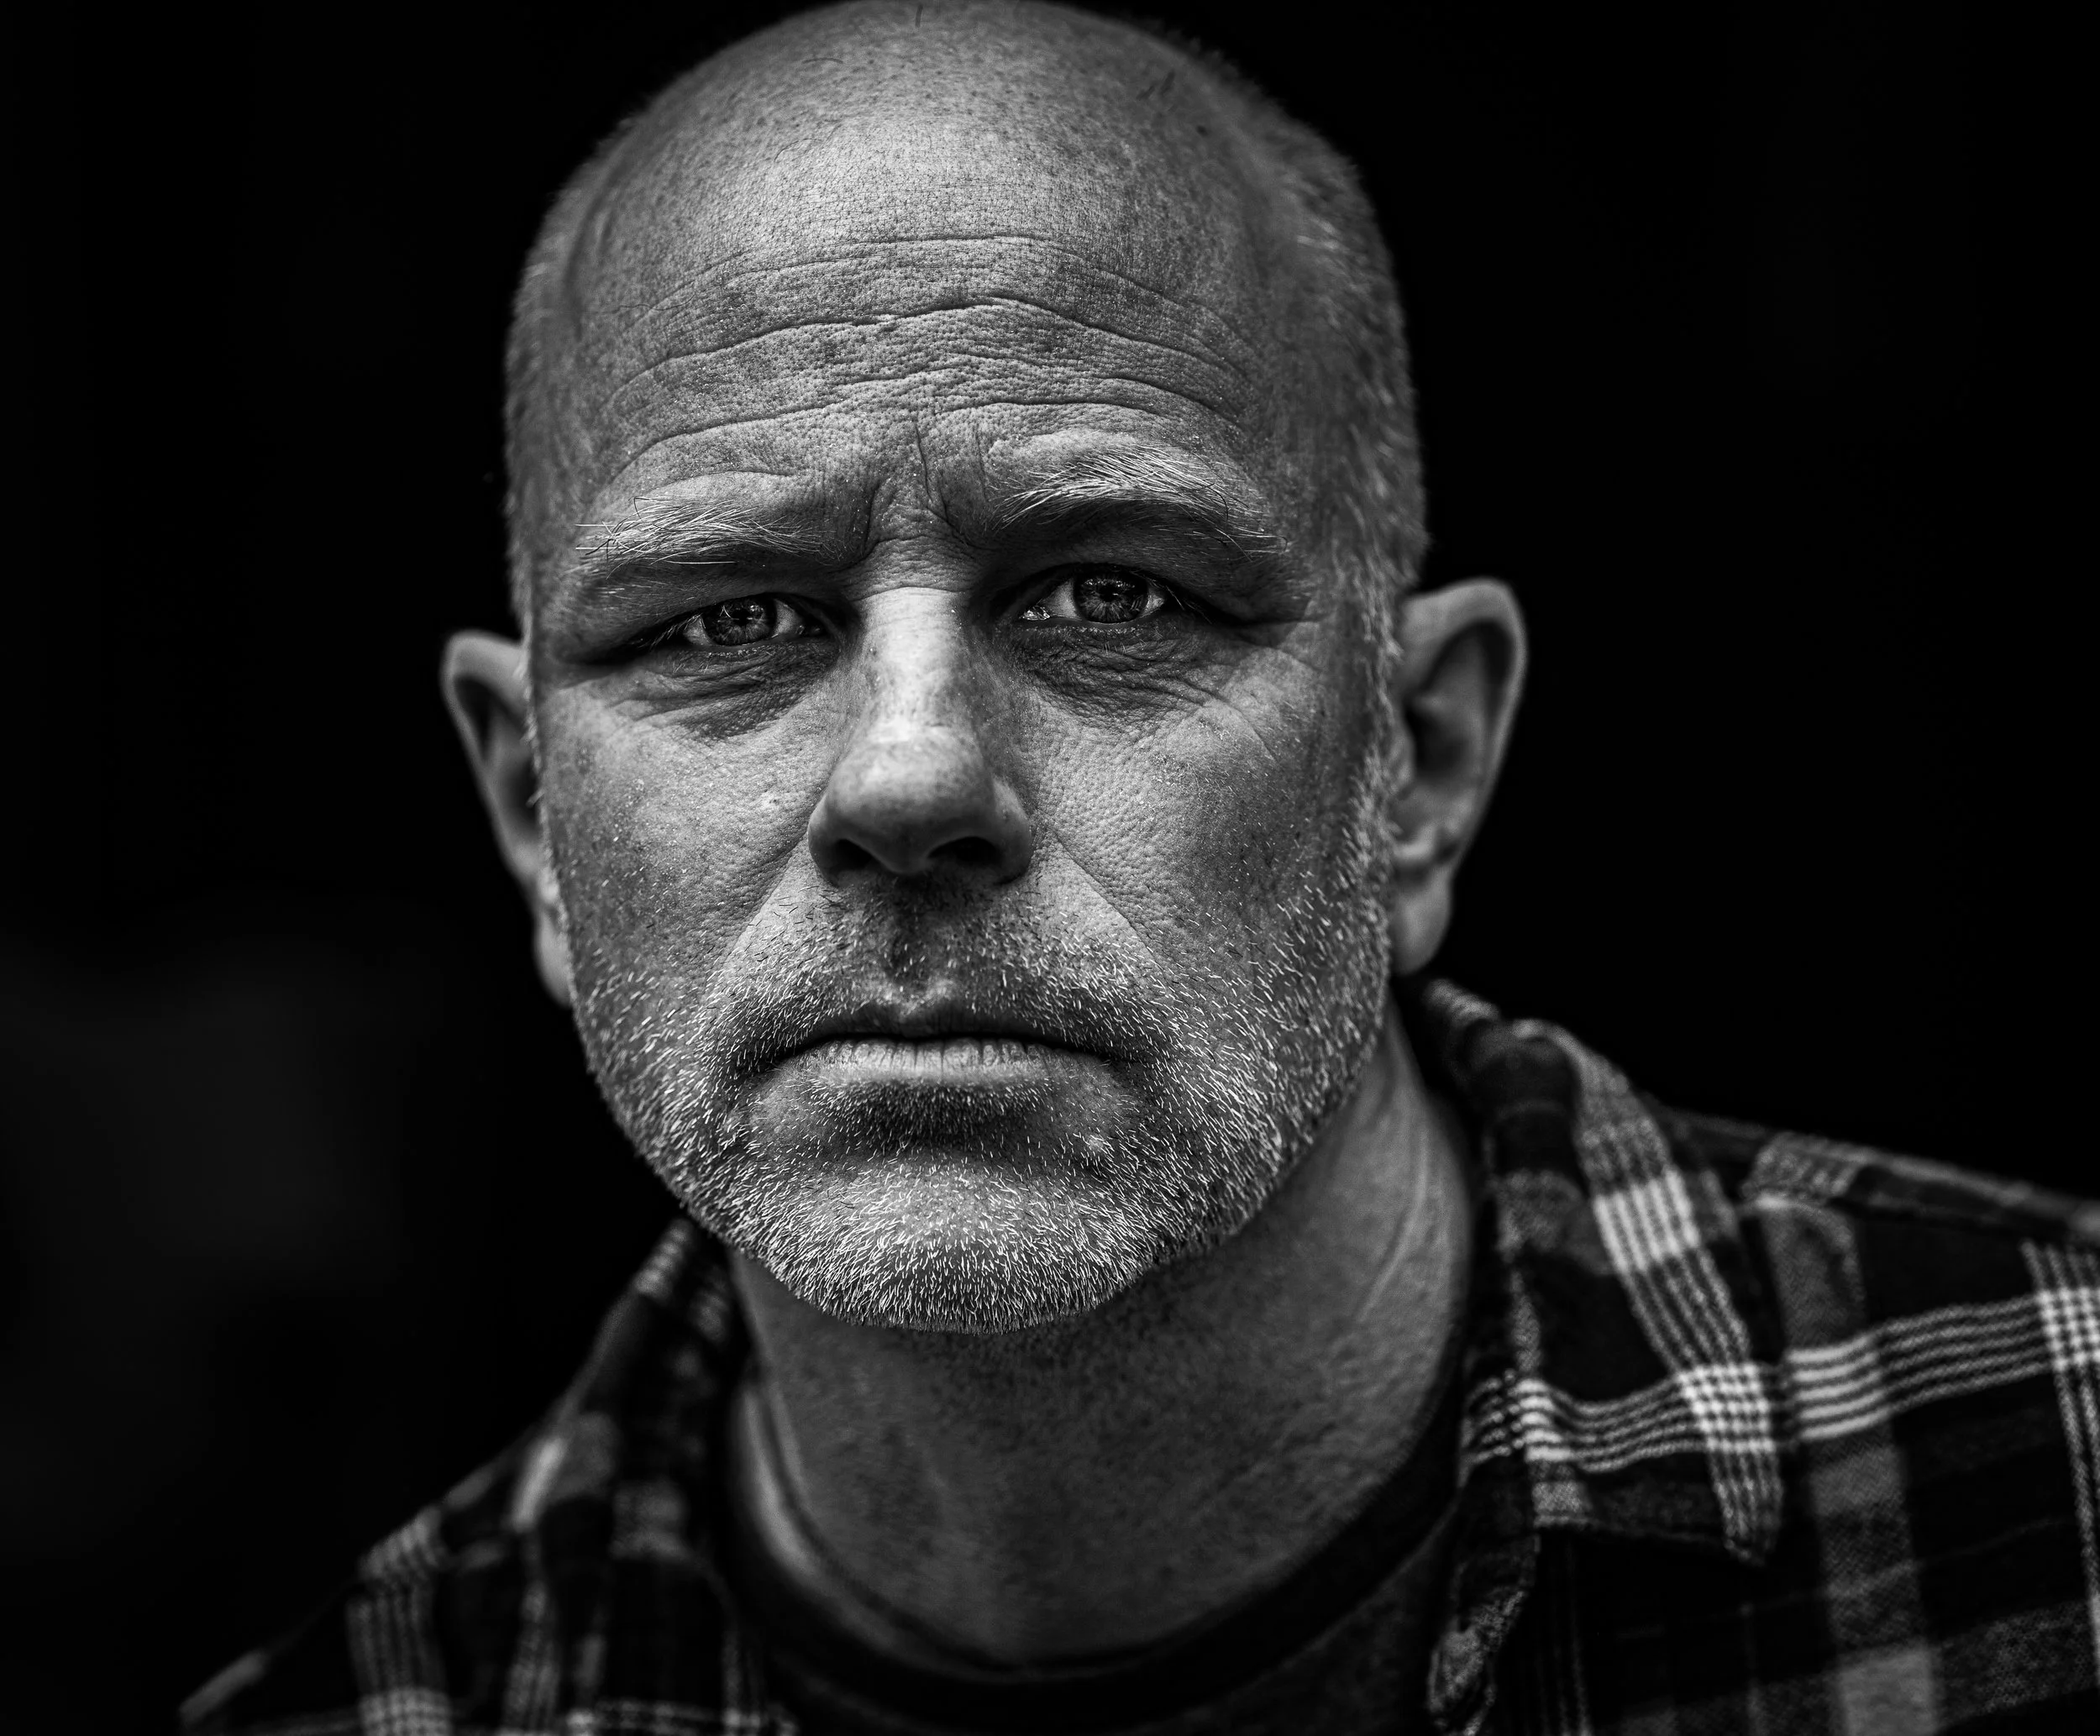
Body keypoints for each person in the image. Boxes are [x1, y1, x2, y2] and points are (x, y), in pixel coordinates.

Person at [185, 3, 2100, 1731]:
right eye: (728, 622)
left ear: (1415, 756)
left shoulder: (2059, 1470)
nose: (911, 773)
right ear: (534, 817)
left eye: (1111, 593)